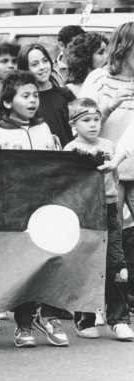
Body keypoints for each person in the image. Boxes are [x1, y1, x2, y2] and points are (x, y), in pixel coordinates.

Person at [0, 70, 69, 348]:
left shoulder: (45, 128)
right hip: (17, 213)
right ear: (8, 102)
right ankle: (23, 324)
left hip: (47, 208)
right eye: (25, 96)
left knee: (51, 263)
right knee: (22, 267)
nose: (33, 101)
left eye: (35, 95)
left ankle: (49, 316)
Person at [64, 98, 133, 341]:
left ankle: (119, 319)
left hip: (110, 209)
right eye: (86, 120)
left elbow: (115, 178)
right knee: (87, 264)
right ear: (73, 124)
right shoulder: (70, 149)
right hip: (85, 212)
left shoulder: (109, 145)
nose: (93, 125)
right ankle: (85, 318)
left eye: (96, 120)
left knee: (116, 264)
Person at [80, 22, 134, 231]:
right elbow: (80, 124)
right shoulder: (99, 78)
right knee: (113, 233)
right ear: (123, 47)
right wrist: (109, 106)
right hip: (109, 171)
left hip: (130, 164)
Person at [17, 43, 74, 147]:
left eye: (45, 61)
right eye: (34, 64)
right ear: (25, 69)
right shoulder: (22, 101)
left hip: (68, 156)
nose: (42, 67)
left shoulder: (65, 94)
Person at [64, 32, 108, 97]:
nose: (107, 56)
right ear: (86, 58)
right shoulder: (67, 91)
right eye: (101, 52)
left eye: (107, 51)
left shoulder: (107, 86)